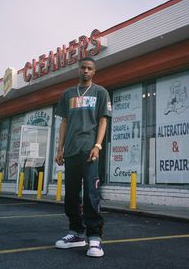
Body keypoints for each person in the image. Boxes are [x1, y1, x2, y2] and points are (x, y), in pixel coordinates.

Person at [55, 57, 112, 257]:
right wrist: (59, 148)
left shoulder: (100, 92)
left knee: (91, 194)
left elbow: (103, 121)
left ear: (94, 72)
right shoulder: (68, 94)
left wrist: (97, 145)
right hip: (71, 151)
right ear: (78, 70)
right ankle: (76, 233)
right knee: (71, 195)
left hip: (90, 151)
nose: (85, 71)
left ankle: (95, 238)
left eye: (89, 68)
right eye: (83, 68)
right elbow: (63, 123)